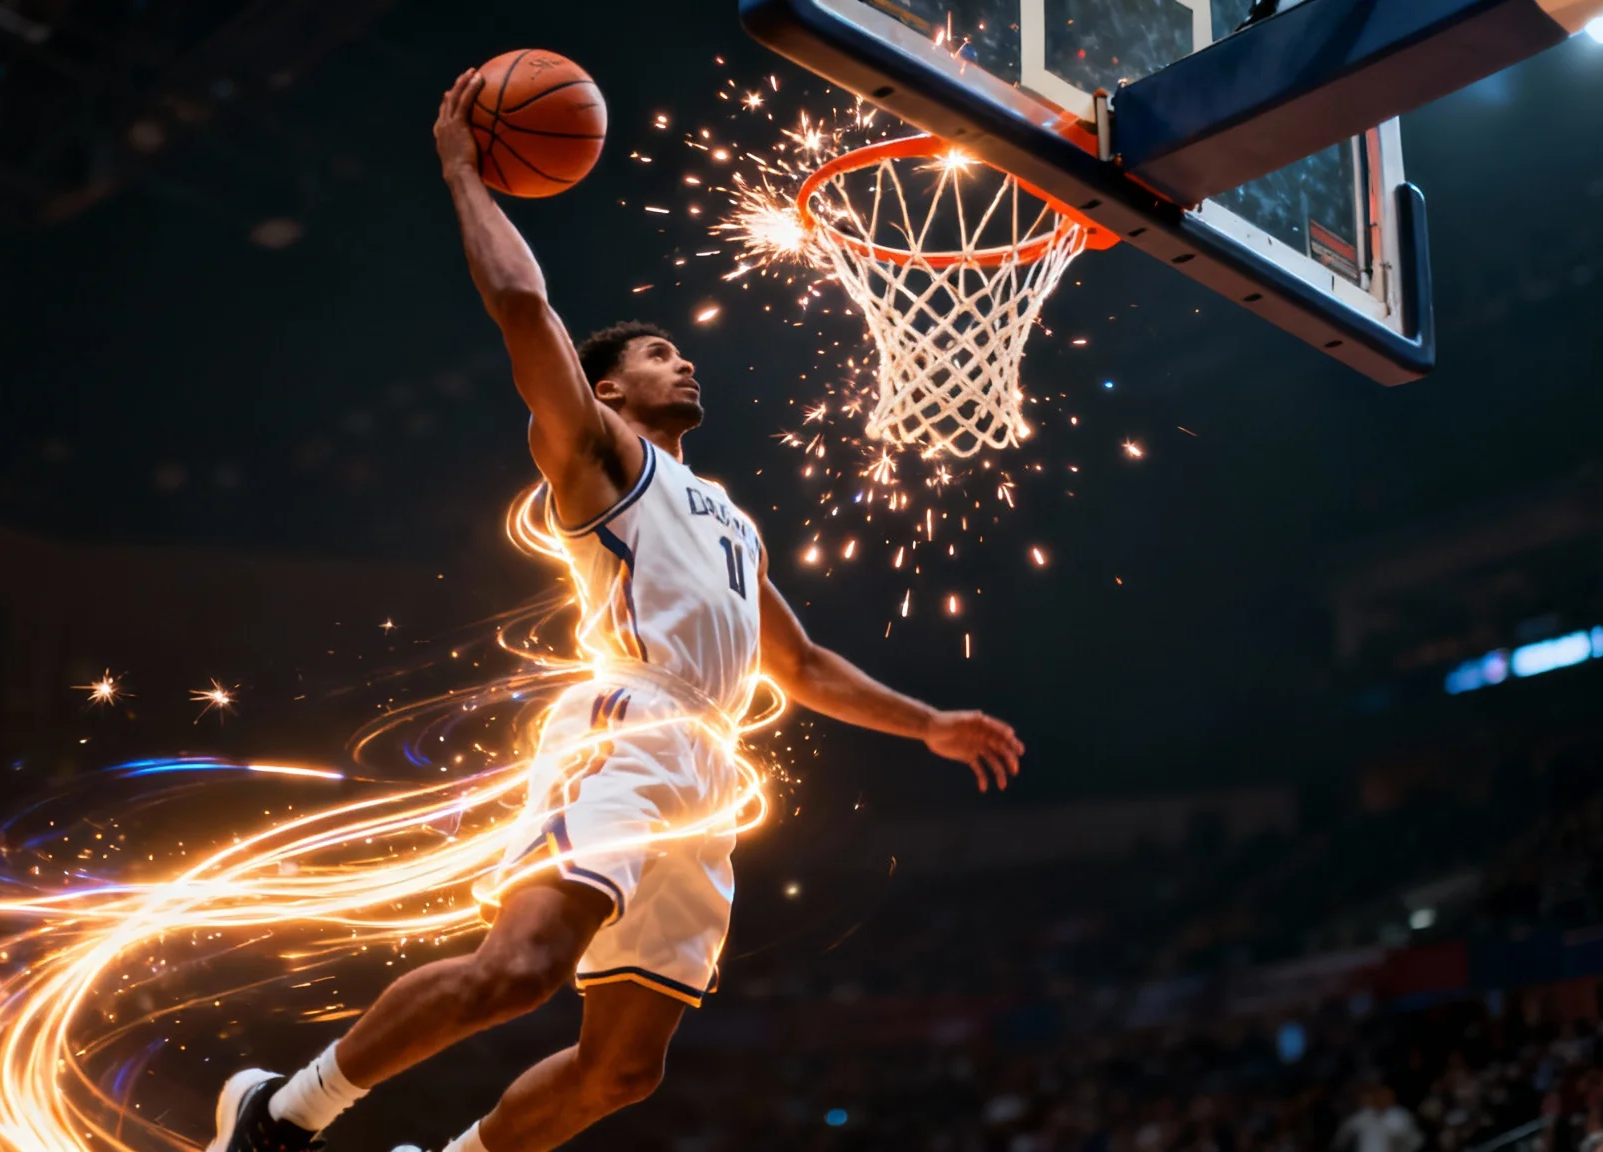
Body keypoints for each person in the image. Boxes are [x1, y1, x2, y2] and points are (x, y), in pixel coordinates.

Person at [205, 68, 1028, 1152]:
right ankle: (280, 1112)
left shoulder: (731, 520)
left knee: (624, 1071)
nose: (683, 362)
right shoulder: (600, 458)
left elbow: (800, 664)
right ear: (604, 389)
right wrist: (463, 172)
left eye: (680, 352)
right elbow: (521, 307)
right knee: (518, 971)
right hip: (627, 728)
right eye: (656, 354)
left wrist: (927, 723)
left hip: (707, 761)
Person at [1334, 1086, 1426, 1152]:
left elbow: (1415, 1141)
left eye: (1386, 1097)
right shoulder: (1362, 1116)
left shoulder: (1401, 1116)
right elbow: (1342, 1137)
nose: (1382, 1099)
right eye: (1379, 1096)